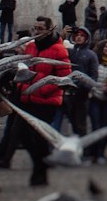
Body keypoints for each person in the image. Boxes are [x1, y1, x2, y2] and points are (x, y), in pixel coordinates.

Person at [16, 16, 70, 186]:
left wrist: (41, 88)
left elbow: (63, 77)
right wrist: (20, 87)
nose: (36, 32)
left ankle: (40, 173)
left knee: (40, 139)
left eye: (39, 29)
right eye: (34, 28)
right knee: (22, 134)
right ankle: (40, 165)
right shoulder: (30, 47)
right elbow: (24, 69)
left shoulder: (59, 50)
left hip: (46, 101)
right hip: (27, 98)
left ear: (49, 30)